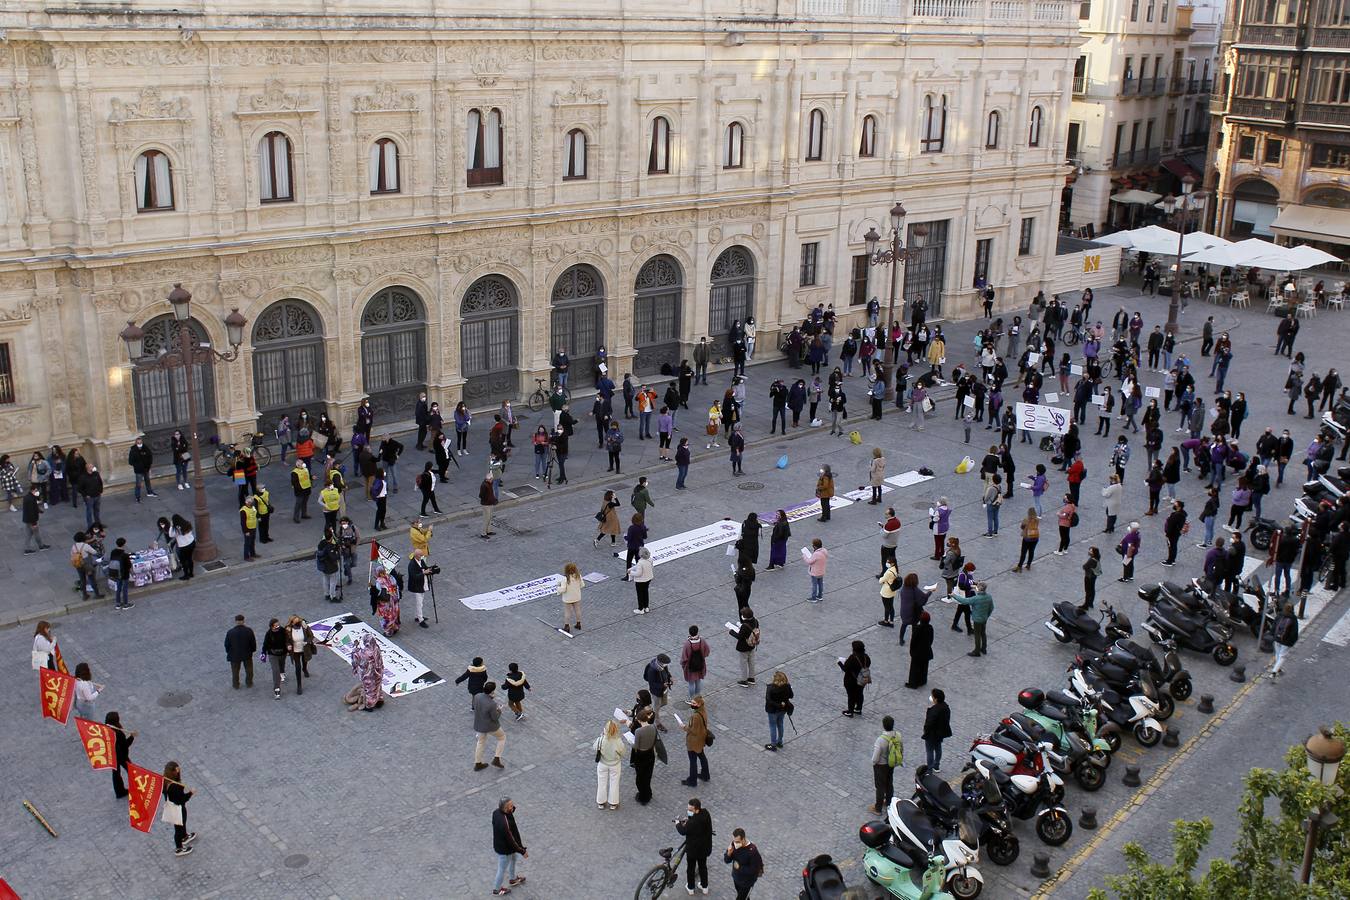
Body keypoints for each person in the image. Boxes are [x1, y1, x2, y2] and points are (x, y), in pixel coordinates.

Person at [491, 797, 528, 896]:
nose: (513, 807)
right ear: (505, 808)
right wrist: (522, 851)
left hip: (502, 845)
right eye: (511, 806)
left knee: (513, 859)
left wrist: (511, 808)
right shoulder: (504, 823)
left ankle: (512, 879)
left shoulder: (496, 812)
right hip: (505, 849)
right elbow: (511, 840)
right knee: (502, 869)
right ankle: (497, 889)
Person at [677, 797, 714, 893]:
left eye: (690, 810)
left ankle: (691, 888)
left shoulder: (693, 823)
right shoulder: (705, 813)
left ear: (696, 809)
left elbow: (683, 831)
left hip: (693, 850)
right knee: (703, 867)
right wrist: (689, 819)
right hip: (704, 848)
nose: (688, 811)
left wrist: (678, 824)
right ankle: (704, 887)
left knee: (691, 868)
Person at [870, 715, 904, 813]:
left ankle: (878, 808)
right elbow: (901, 747)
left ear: (883, 725)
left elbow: (876, 757)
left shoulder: (880, 740)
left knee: (880, 786)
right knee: (889, 783)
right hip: (891, 763)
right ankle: (889, 802)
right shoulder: (897, 735)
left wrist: (873, 763)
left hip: (880, 765)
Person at [161, 761, 195, 856]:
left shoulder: (166, 781)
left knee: (182, 823)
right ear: (173, 772)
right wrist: (190, 793)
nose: (179, 770)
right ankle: (179, 848)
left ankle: (184, 837)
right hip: (177, 809)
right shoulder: (174, 786)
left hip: (174, 808)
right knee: (178, 828)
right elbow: (181, 800)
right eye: (177, 769)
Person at [593, 718, 627, 810]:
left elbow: (594, 747)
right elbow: (623, 752)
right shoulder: (618, 741)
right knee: (614, 783)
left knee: (601, 783)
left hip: (603, 764)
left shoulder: (601, 740)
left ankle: (601, 802)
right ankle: (613, 803)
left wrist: (601, 736)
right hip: (615, 764)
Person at [473, 681, 506, 772]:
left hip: (479, 724)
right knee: (502, 737)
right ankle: (497, 758)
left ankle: (478, 763)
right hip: (490, 726)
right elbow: (495, 718)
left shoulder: (477, 696)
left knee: (480, 743)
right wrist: (499, 710)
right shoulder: (492, 704)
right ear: (492, 691)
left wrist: (490, 698)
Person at [724, 827, 764, 900]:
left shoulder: (752, 851)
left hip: (747, 883)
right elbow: (726, 860)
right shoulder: (733, 844)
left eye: (737, 842)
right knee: (744, 897)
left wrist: (739, 868)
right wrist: (729, 854)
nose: (735, 844)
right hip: (736, 878)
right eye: (734, 841)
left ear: (743, 839)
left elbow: (754, 870)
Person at [680, 696, 711, 788]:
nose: (692, 705)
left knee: (693, 761)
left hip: (694, 741)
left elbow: (693, 730)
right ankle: (705, 775)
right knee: (702, 756)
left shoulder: (696, 716)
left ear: (699, 704)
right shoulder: (703, 711)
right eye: (692, 703)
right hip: (701, 739)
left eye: (694, 703)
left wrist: (684, 727)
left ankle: (692, 781)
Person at [956, 583, 993, 657]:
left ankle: (977, 651)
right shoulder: (989, 597)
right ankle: (984, 648)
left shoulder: (976, 598)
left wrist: (954, 595)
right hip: (984, 619)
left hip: (977, 620)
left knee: (977, 635)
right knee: (983, 633)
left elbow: (964, 601)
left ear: (979, 589)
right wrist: (986, 616)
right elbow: (991, 608)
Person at [105, 710, 135, 799]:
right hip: (121, 755)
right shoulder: (118, 733)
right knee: (131, 770)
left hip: (112, 754)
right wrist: (132, 737)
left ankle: (119, 791)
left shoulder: (105, 729)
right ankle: (137, 787)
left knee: (116, 773)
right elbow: (125, 745)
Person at [923, 689, 952, 772]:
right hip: (940, 733)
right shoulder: (946, 707)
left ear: (936, 699)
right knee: (938, 748)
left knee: (929, 751)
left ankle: (929, 769)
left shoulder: (934, 710)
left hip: (932, 734)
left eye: (932, 696)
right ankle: (936, 765)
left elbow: (929, 724)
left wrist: (926, 731)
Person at [839, 639, 870, 717]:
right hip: (862, 679)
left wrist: (839, 663)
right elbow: (868, 664)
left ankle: (850, 711)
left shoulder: (853, 658)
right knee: (860, 694)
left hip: (851, 681)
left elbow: (845, 668)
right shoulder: (866, 657)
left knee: (851, 696)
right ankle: (858, 709)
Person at [224, 614, 256, 689]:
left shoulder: (230, 632)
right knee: (249, 670)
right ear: (243, 621)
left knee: (235, 671)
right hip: (247, 653)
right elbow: (253, 642)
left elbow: (227, 644)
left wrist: (229, 652)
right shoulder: (248, 630)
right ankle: (249, 683)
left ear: (236, 621)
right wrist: (252, 650)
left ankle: (236, 685)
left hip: (234, 654)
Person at [644, 653, 674, 733]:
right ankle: (657, 723)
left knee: (664, 703)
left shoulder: (663, 666)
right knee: (656, 708)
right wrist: (662, 685)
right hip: (656, 692)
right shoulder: (652, 670)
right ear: (660, 662)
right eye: (665, 664)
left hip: (664, 689)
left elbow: (667, 672)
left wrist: (670, 677)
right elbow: (652, 683)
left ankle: (653, 710)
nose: (666, 665)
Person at [285, 615, 314, 695]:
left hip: (304, 649)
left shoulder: (304, 626)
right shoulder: (288, 629)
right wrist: (288, 645)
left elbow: (311, 636)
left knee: (305, 661)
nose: (298, 623)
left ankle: (304, 669)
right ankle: (299, 685)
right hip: (295, 651)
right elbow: (286, 640)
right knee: (297, 667)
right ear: (292, 623)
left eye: (299, 621)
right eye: (296, 622)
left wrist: (307, 641)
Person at [764, 671, 793, 752]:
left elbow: (768, 699)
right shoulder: (787, 686)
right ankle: (779, 742)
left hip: (772, 710)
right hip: (782, 710)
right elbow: (791, 696)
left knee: (772, 726)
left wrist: (778, 705)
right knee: (780, 724)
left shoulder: (770, 687)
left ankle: (773, 745)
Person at [1269, 602, 1299, 678]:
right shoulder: (1293, 618)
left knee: (1277, 654)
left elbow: (1274, 626)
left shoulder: (1279, 615)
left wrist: (1273, 635)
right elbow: (1294, 632)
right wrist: (1292, 642)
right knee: (1282, 656)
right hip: (1286, 641)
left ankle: (1278, 669)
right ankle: (1274, 672)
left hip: (1277, 638)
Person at [681, 626, 711, 699]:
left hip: (690, 667)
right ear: (697, 632)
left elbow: (684, 658)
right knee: (698, 681)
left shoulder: (687, 643)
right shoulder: (702, 640)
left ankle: (692, 699)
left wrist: (683, 665)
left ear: (690, 633)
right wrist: (702, 657)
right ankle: (698, 697)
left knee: (691, 683)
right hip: (700, 664)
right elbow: (707, 650)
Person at [907, 611, 935, 688]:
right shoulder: (930, 628)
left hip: (917, 652)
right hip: (926, 651)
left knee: (915, 668)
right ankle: (922, 680)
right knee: (924, 667)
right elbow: (931, 639)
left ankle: (913, 683)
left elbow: (913, 641)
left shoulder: (918, 628)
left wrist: (912, 651)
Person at [733, 606, 759, 687]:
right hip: (752, 645)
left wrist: (732, 632)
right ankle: (751, 678)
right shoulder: (755, 621)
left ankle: (744, 680)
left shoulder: (744, 626)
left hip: (744, 647)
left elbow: (740, 636)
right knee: (751, 661)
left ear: (745, 617)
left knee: (743, 662)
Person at [262, 618, 288, 700]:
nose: (278, 626)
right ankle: (277, 689)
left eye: (278, 625)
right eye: (276, 625)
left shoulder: (282, 630)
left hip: (283, 652)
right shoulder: (269, 634)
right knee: (275, 670)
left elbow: (287, 639)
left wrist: (288, 645)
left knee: (282, 664)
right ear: (271, 627)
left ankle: (282, 672)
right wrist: (263, 653)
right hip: (273, 654)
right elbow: (265, 644)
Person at [558, 562, 582, 632]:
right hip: (577, 596)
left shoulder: (565, 579)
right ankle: (578, 623)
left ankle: (567, 626)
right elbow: (582, 585)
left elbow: (563, 589)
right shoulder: (578, 576)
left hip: (568, 598)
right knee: (577, 610)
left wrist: (558, 588)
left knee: (568, 612)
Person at [1163, 500, 1187, 566]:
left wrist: (1167, 534)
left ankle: (1169, 561)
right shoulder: (1182, 514)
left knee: (1171, 547)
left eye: (1175, 505)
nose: (1174, 506)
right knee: (1174, 546)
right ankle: (1172, 559)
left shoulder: (1176, 516)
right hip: (1176, 533)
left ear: (1179, 507)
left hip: (1172, 534)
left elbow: (1171, 525)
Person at [803, 538, 828, 602]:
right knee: (820, 584)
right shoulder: (824, 551)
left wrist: (804, 556)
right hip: (821, 571)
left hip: (815, 572)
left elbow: (809, 561)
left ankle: (813, 597)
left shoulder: (816, 554)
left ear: (815, 546)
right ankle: (820, 596)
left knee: (814, 585)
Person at [877, 559, 900, 627]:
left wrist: (881, 579)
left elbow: (881, 581)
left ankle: (886, 621)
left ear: (892, 563)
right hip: (892, 592)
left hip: (886, 592)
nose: (887, 563)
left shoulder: (889, 572)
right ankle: (891, 621)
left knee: (886, 607)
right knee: (891, 607)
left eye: (888, 562)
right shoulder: (895, 569)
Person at [1080, 547, 1103, 611]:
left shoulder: (1092, 560)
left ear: (1094, 553)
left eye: (1091, 551)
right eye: (1089, 550)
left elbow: (1085, 566)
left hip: (1089, 576)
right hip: (1093, 576)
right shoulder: (1097, 557)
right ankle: (1090, 603)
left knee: (1088, 591)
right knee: (1092, 590)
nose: (1089, 552)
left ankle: (1086, 605)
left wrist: (1085, 566)